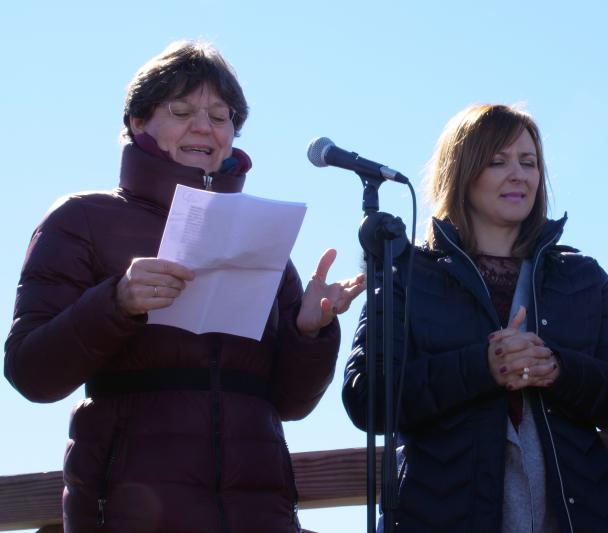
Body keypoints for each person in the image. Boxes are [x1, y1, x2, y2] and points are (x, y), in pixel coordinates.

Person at [4, 40, 365, 533]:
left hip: (260, 516)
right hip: (130, 514)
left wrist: (310, 333)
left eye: (221, 116)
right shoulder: (81, 220)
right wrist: (117, 302)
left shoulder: (260, 231)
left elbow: (289, 404)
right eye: (181, 110)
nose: (204, 127)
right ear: (137, 122)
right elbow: (31, 372)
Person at [342, 103, 608, 532]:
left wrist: (557, 368)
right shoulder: (407, 273)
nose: (518, 174)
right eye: (497, 161)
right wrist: (481, 368)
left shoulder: (583, 278)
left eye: (529, 162)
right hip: (438, 517)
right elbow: (367, 398)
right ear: (462, 172)